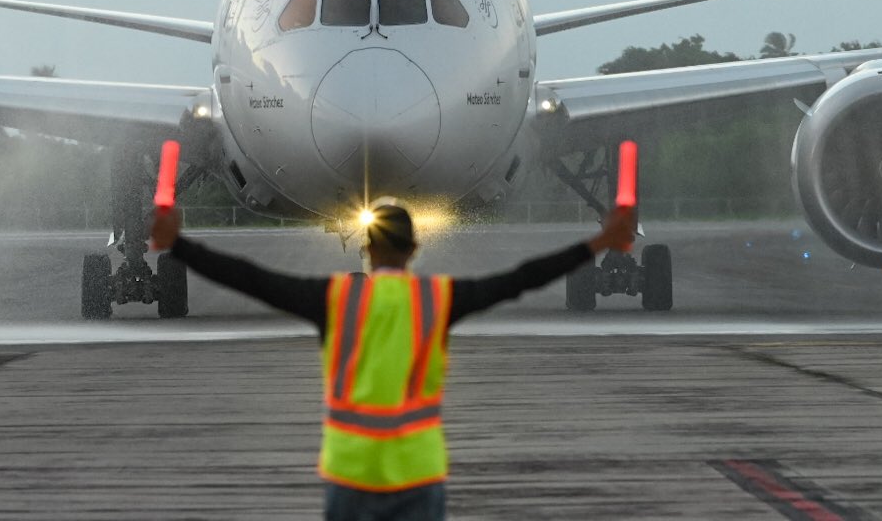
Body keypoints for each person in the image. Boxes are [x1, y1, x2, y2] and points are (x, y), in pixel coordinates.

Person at [151, 200, 637, 521]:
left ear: (367, 248)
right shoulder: (439, 299)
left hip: (351, 474)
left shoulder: (335, 299)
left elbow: (250, 278)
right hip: (418, 474)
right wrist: (598, 242)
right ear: (413, 249)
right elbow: (522, 278)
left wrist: (179, 245)